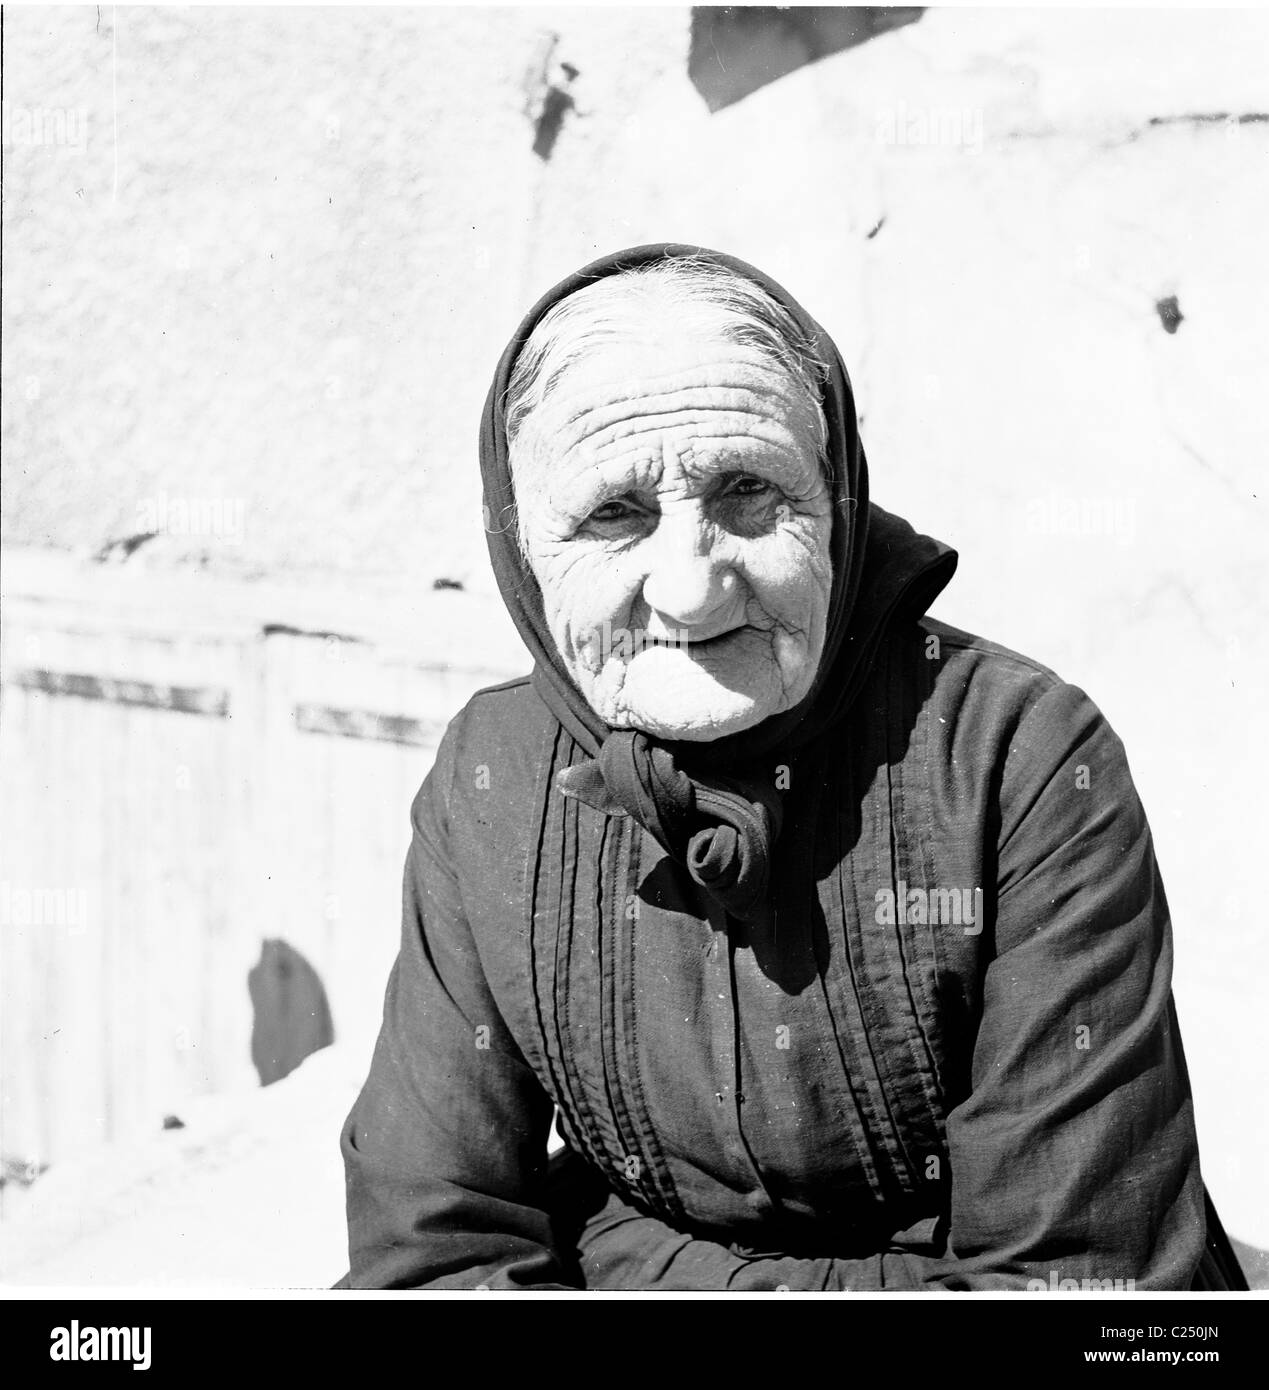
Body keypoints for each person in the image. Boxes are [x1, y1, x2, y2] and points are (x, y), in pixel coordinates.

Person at [338, 243, 1246, 1290]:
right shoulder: (493, 773)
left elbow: (1074, 1273)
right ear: (520, 551)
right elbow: (436, 1239)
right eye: (612, 513)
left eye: (749, 493)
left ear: (840, 505)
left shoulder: (1021, 755)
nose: (690, 588)